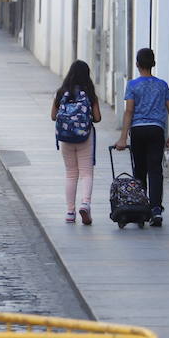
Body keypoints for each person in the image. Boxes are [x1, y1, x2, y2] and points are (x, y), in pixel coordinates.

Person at [113, 47, 169, 227]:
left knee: (139, 170)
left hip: (138, 131)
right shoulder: (162, 85)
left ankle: (141, 208)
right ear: (154, 64)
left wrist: (123, 138)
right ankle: (156, 209)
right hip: (156, 130)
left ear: (137, 64)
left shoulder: (133, 85)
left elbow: (129, 111)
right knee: (155, 170)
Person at [52, 60, 101, 225]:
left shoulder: (61, 92)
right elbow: (98, 118)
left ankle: (70, 212)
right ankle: (85, 204)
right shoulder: (89, 92)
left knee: (71, 174)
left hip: (66, 138)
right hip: (85, 137)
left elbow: (53, 116)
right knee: (86, 173)